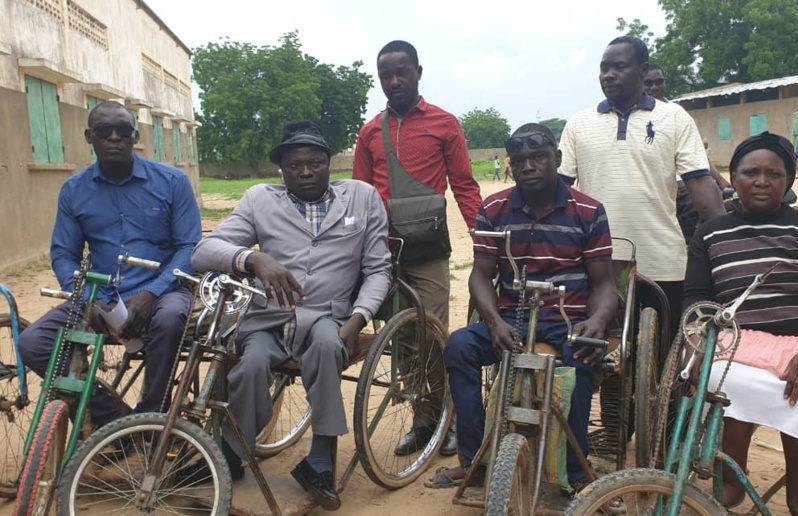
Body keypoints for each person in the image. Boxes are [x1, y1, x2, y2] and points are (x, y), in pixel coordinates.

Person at [192, 121, 391, 510]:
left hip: (328, 316)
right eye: (295, 165)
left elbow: (379, 270)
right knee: (249, 366)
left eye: (315, 163)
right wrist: (251, 258)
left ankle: (319, 461)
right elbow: (203, 252)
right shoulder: (259, 199)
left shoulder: (362, 198)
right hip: (269, 317)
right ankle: (232, 451)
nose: (305, 172)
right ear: (281, 169)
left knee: (326, 347)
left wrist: (359, 317)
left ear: (329, 163)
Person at [426, 123, 618, 493]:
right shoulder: (494, 209)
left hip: (567, 319)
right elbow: (480, 277)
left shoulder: (588, 211)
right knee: (460, 347)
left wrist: (595, 322)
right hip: (512, 319)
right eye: (520, 160)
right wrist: (494, 322)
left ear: (557, 159)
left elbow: (604, 283)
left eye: (539, 158)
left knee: (582, 359)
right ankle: (476, 462)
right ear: (510, 164)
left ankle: (576, 474)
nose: (528, 166)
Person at [683, 131, 798, 516]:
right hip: (738, 341)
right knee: (719, 379)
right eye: (750, 172)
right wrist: (694, 345)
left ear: (788, 181)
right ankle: (731, 484)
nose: (761, 181)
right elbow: (697, 300)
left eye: (773, 174)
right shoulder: (710, 234)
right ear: (733, 177)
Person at [18, 101, 201, 428]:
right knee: (33, 343)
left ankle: (151, 417)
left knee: (171, 318)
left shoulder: (172, 182)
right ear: (90, 137)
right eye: (104, 131)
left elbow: (189, 245)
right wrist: (90, 300)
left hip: (164, 290)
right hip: (101, 296)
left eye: (123, 131)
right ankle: (112, 420)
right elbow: (64, 254)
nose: (114, 138)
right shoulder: (74, 190)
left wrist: (151, 294)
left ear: (136, 135)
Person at [354, 40, 482, 457]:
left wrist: (485, 244)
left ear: (418, 72)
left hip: (428, 251)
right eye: (386, 75)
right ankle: (423, 422)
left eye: (402, 72)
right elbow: (359, 196)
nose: (394, 81)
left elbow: (464, 185)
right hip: (383, 253)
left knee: (433, 333)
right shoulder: (371, 131)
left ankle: (446, 417)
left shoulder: (444, 123)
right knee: (403, 340)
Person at [559, 36, 726, 351]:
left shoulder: (674, 118)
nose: (608, 75)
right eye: (603, 68)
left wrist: (729, 237)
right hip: (597, 262)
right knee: (601, 355)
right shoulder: (579, 124)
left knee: (662, 357)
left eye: (619, 67)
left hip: (663, 261)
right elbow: (561, 191)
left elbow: (701, 185)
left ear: (642, 70)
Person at [644, 64, 732, 244]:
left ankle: (708, 246)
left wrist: (722, 182)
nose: (654, 87)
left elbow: (697, 155)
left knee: (711, 197)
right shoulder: (635, 115)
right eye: (648, 83)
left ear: (665, 83)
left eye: (659, 82)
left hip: (684, 176)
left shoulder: (677, 113)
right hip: (651, 179)